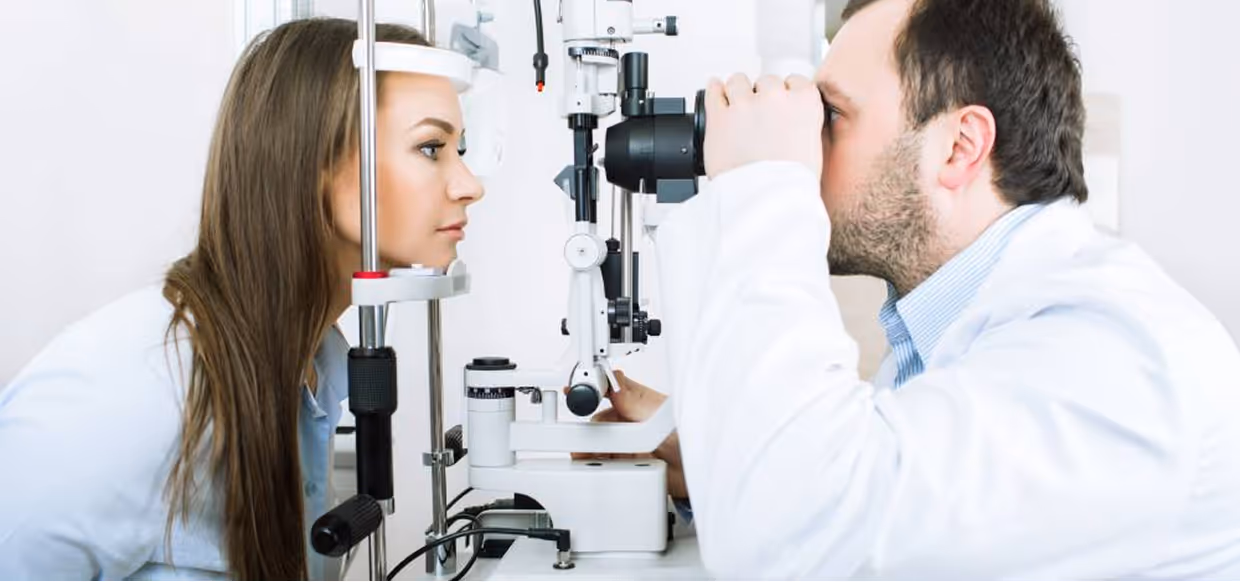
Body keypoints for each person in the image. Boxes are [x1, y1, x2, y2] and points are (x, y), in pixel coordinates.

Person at [602, 0, 1240, 578]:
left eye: (832, 116)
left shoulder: (1114, 358)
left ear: (960, 148)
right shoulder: (955, 321)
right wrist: (723, 463)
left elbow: (796, 541)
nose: (808, 147)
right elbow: (885, 505)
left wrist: (765, 185)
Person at [0, 18, 483, 580]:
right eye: (431, 148)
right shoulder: (136, 385)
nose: (471, 183)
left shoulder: (318, 370)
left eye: (460, 150)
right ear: (314, 163)